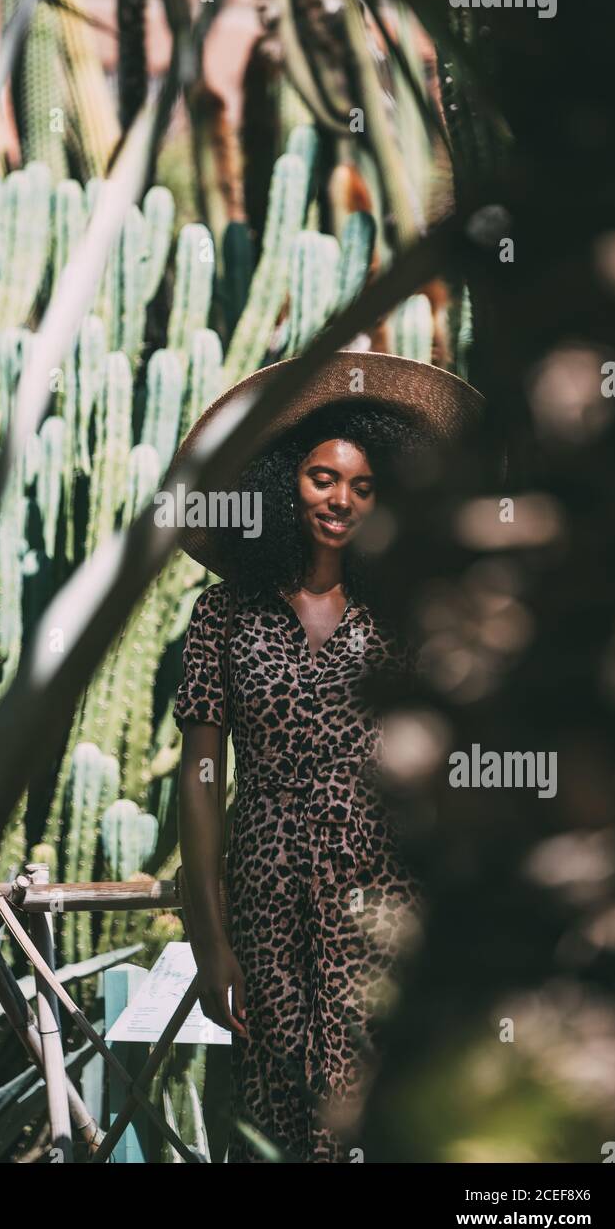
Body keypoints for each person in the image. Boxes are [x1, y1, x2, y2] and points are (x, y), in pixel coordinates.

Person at [170, 350, 485, 1163]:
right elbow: (200, 780)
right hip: (264, 884)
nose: (340, 499)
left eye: (363, 485)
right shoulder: (225, 614)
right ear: (284, 482)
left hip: (383, 884)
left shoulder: (404, 613)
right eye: (321, 478)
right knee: (276, 1092)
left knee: (373, 1096)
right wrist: (210, 939)